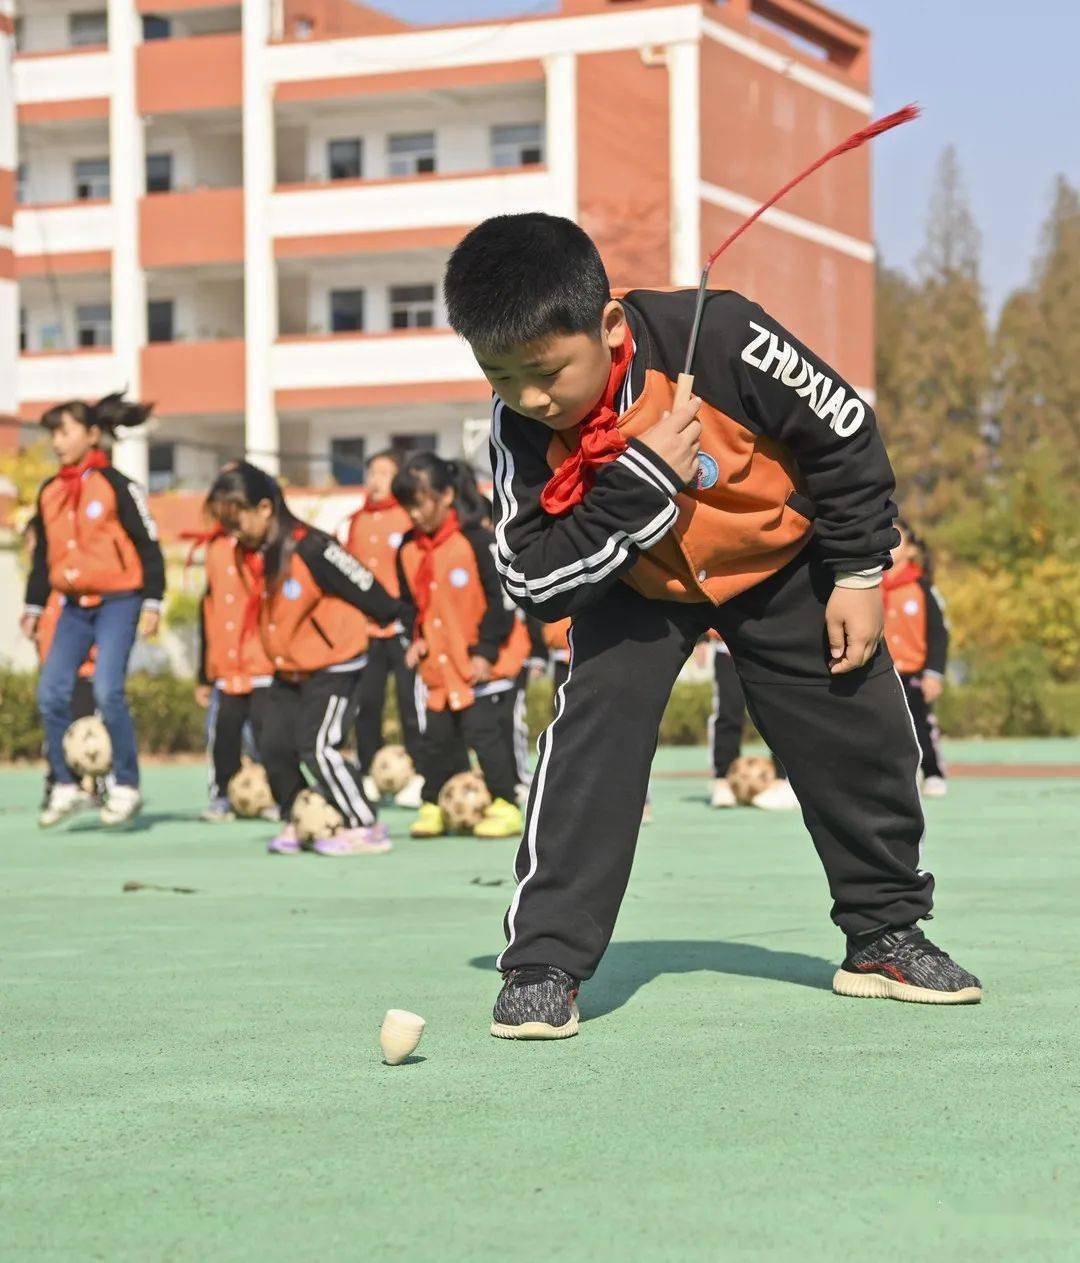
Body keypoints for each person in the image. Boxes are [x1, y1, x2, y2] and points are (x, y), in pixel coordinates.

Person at [442, 212, 981, 1038]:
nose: (530, 398)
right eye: (501, 375)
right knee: (594, 729)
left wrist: (859, 572)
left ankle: (884, 933)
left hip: (780, 558)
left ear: (610, 325)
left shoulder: (721, 333)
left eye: (548, 372)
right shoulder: (518, 426)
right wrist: (643, 474)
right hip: (639, 580)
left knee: (858, 721)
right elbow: (532, 578)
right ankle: (544, 960)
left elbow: (844, 433)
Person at [205, 462, 404, 856]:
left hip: (335, 664)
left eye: (236, 519)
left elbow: (367, 587)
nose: (232, 531)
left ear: (265, 508)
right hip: (288, 665)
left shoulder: (312, 546)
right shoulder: (249, 553)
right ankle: (299, 815)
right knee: (273, 745)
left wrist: (395, 619)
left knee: (319, 745)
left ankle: (366, 824)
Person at [21, 393, 164, 827]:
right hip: (72, 608)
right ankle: (66, 784)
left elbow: (148, 545)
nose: (58, 442)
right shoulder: (50, 492)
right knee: (50, 694)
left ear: (92, 434)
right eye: (53, 434)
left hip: (119, 603)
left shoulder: (119, 486)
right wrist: (32, 604)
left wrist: (153, 601)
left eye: (65, 432)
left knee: (106, 691)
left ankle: (126, 784)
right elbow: (44, 558)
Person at [392, 451, 530, 841]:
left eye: (420, 504)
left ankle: (505, 804)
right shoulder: (406, 547)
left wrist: (485, 651)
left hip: (477, 665)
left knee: (486, 738)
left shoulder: (476, 540)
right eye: (408, 507)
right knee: (436, 739)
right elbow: (407, 604)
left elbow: (501, 599)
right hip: (437, 666)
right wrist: (414, 639)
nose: (415, 515)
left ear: (446, 495)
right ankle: (434, 801)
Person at [344, 450, 425, 809]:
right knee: (367, 703)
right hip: (367, 630)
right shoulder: (356, 521)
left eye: (384, 472)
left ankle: (420, 773)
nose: (375, 480)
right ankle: (367, 772)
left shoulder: (408, 517)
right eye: (371, 472)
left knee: (410, 702)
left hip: (403, 628)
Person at [193, 527, 275, 822]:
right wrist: (203, 674)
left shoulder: (268, 546)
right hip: (226, 668)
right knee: (223, 735)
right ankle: (222, 795)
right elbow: (207, 617)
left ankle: (275, 794)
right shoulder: (214, 550)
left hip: (262, 664)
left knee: (268, 736)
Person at [883, 518, 949, 797]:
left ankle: (932, 771)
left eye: (896, 538)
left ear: (910, 549)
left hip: (913, 673)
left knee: (919, 725)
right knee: (881, 726)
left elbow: (938, 634)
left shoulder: (922, 588)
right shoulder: (865, 586)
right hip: (879, 672)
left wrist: (933, 673)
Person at [708, 636, 798, 810]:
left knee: (777, 714)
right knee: (729, 711)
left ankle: (782, 780)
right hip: (726, 647)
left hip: (770, 646)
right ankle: (723, 780)